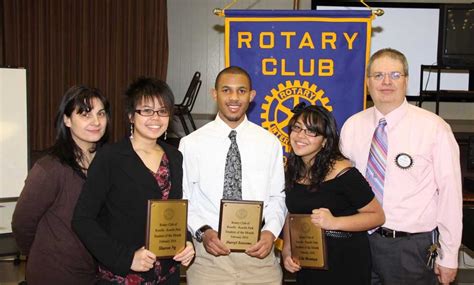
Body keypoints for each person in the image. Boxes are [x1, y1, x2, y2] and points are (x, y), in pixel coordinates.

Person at [340, 48, 463, 285]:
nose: (386, 82)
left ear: (406, 80)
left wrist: (449, 256)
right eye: (378, 76)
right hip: (359, 244)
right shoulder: (352, 127)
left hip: (411, 250)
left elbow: (450, 195)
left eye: (395, 75)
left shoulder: (434, 128)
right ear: (367, 82)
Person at [72, 77, 194, 284]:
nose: (155, 118)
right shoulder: (110, 157)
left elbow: (174, 212)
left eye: (162, 111)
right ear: (131, 115)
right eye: (146, 110)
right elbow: (82, 220)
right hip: (124, 276)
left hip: (167, 275)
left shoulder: (174, 157)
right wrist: (126, 258)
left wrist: (186, 243)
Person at [178, 66, 287, 284]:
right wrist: (203, 232)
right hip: (209, 259)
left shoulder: (269, 143)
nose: (234, 98)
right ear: (214, 93)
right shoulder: (190, 144)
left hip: (259, 256)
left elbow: (278, 196)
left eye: (241, 91)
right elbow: (185, 199)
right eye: (226, 90)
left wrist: (271, 233)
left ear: (251, 95)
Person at [12, 85, 110, 284]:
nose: (96, 121)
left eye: (101, 113)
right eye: (85, 114)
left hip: (94, 272)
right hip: (54, 273)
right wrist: (45, 253)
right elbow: (22, 223)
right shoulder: (50, 168)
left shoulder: (107, 163)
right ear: (66, 120)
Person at [282, 103, 385, 284]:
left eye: (311, 131)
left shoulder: (344, 172)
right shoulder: (292, 169)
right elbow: (292, 213)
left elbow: (377, 216)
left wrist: (335, 222)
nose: (300, 136)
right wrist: (288, 250)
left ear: (325, 141)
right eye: (297, 128)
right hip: (308, 260)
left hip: (345, 262)